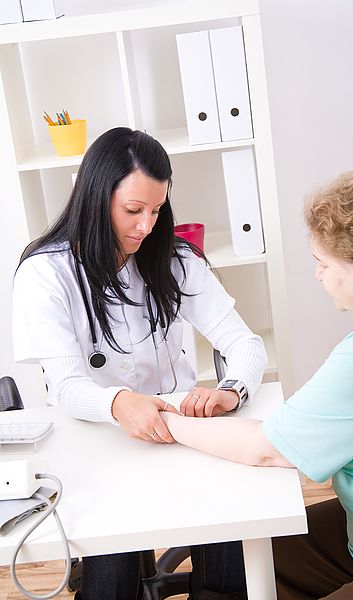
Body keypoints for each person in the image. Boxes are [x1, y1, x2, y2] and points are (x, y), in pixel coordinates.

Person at [12, 127, 267, 600]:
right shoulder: (46, 273)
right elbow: (66, 385)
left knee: (234, 558)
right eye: (133, 211)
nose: (146, 226)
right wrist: (118, 404)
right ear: (94, 196)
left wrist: (231, 389)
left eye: (156, 210)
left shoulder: (175, 259)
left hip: (183, 435)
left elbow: (246, 343)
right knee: (112, 583)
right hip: (101, 442)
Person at [161, 171, 353, 599]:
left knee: (243, 575)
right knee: (242, 567)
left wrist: (167, 420)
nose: (317, 275)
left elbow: (268, 450)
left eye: (323, 263)